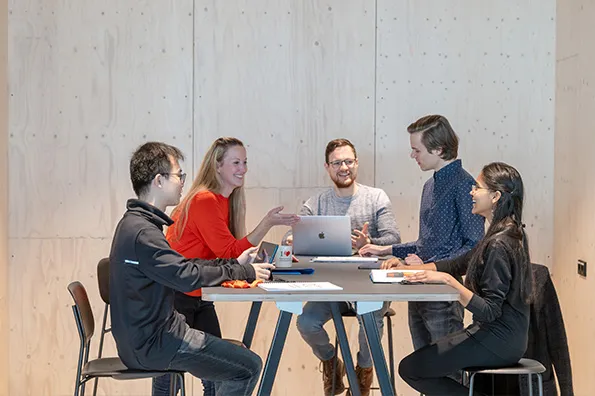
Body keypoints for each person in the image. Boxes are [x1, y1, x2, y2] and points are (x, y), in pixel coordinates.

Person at [109, 142, 274, 396]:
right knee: (248, 366)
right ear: (159, 181)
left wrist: (236, 265)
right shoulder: (144, 233)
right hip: (157, 344)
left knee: (234, 365)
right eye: (178, 175)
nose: (183, 182)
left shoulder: (136, 224)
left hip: (151, 339)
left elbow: (184, 267)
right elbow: (187, 278)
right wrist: (243, 272)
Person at [154, 137, 299, 395]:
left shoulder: (227, 200)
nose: (242, 168)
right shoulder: (204, 200)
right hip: (177, 295)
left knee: (218, 372)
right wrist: (267, 224)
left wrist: (270, 258)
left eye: (244, 162)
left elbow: (232, 254)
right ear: (218, 166)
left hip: (198, 293)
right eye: (235, 162)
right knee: (174, 376)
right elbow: (230, 253)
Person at [392, 162, 534, 396]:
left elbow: (489, 311)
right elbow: (461, 262)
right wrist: (416, 269)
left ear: (496, 196)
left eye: (477, 188)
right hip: (506, 337)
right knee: (417, 365)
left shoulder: (499, 243)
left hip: (497, 340)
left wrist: (450, 282)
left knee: (411, 368)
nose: (471, 192)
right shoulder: (504, 232)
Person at [360, 115, 484, 354]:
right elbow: (426, 243)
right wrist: (384, 249)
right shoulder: (430, 185)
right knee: (423, 369)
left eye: (416, 150)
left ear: (438, 149)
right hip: (419, 289)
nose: (412, 156)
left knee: (447, 373)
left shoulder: (463, 185)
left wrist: (432, 266)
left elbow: (474, 247)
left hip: (444, 295)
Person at [294, 138, 401, 396]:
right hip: (331, 288)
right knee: (306, 323)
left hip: (370, 286)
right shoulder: (316, 203)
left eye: (349, 161)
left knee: (371, 321)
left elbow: (394, 239)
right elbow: (299, 238)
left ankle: (363, 372)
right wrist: (293, 239)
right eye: (337, 162)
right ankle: (331, 362)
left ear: (357, 163)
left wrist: (370, 243)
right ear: (327, 167)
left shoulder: (376, 197)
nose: (344, 167)